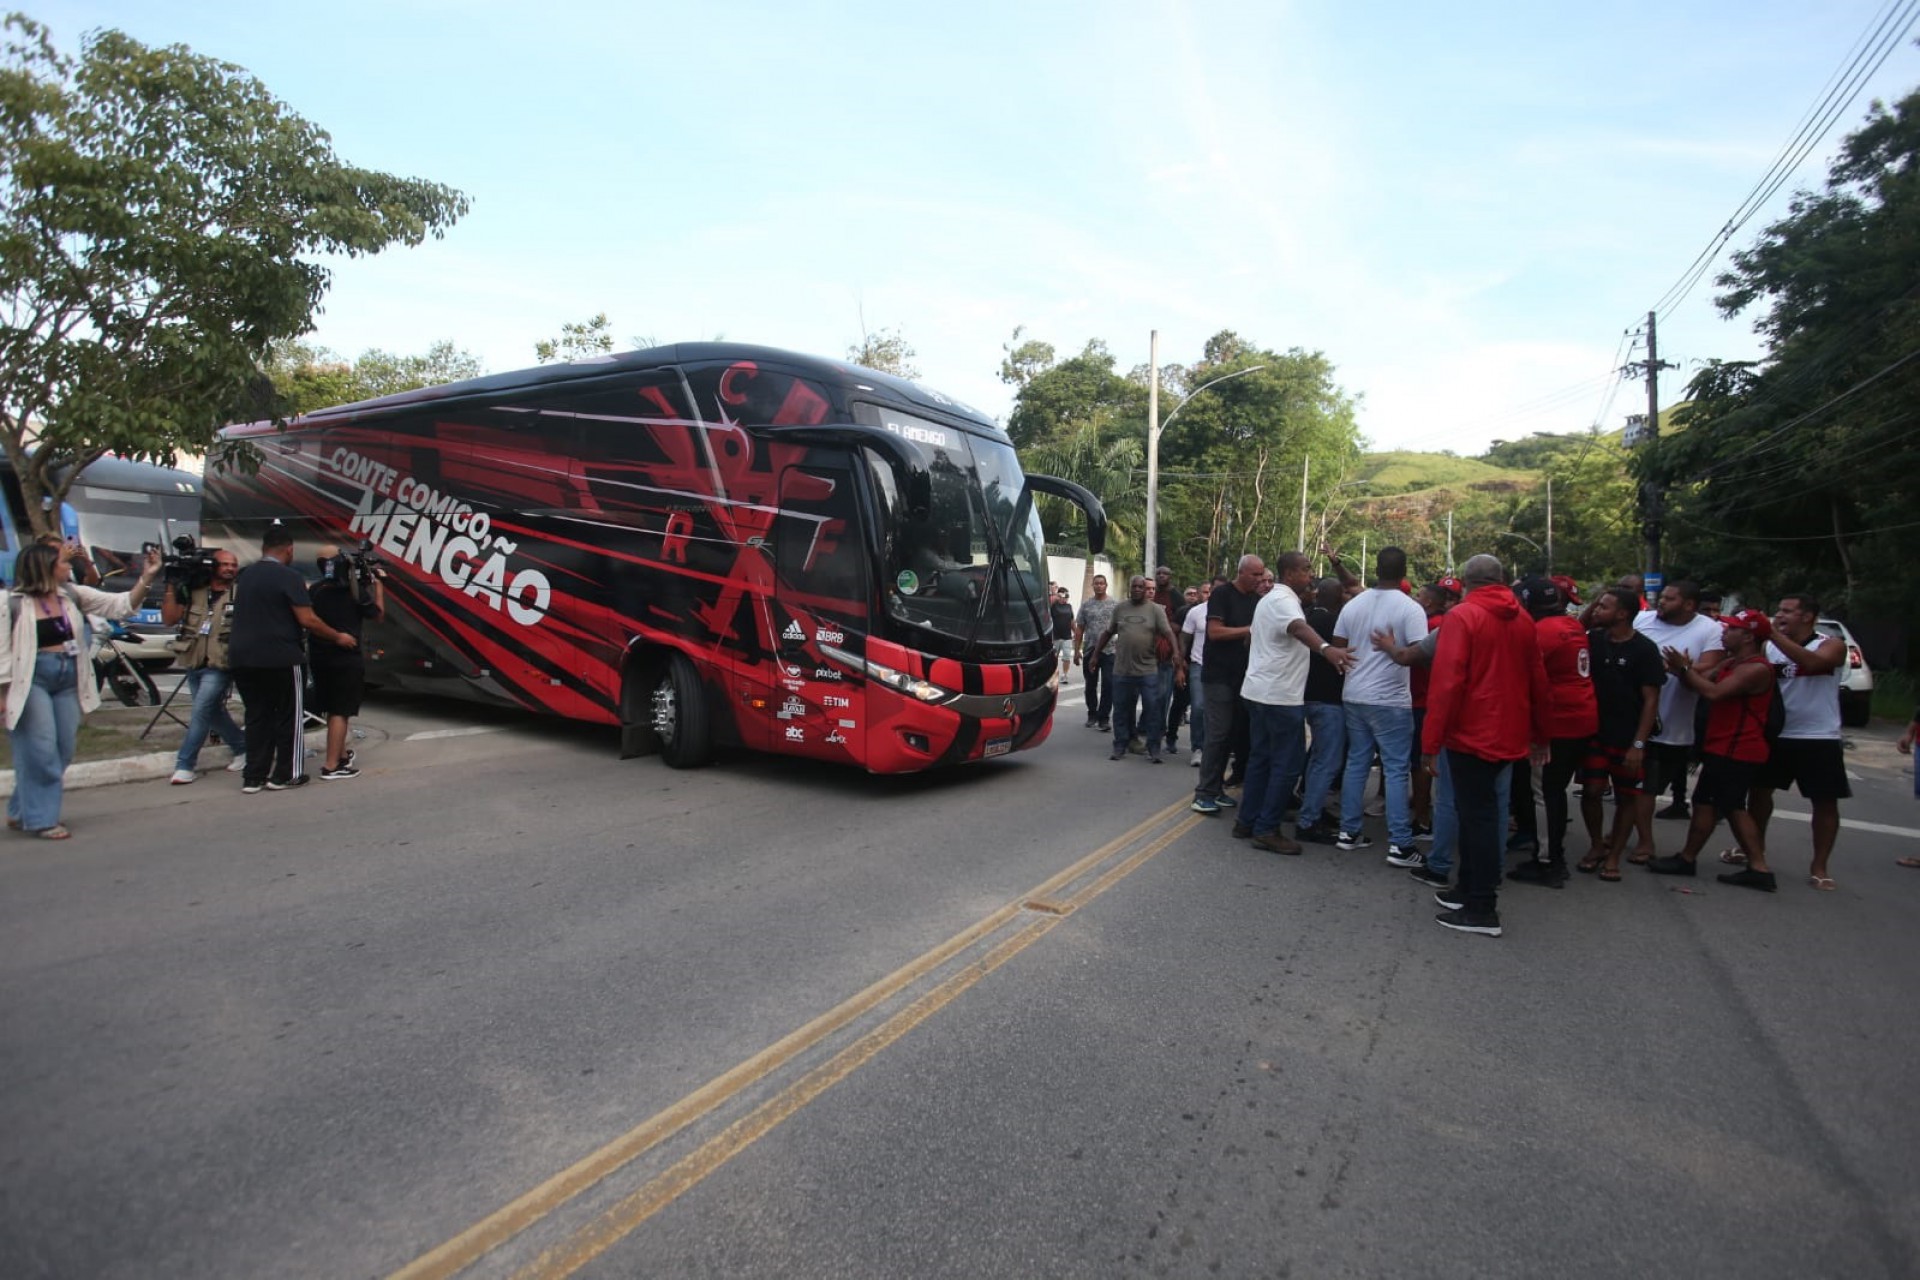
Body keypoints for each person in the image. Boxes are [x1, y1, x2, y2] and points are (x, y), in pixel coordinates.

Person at [1420, 554, 1550, 938]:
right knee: (1479, 813)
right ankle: (1468, 889)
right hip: (1507, 729)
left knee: (1477, 817)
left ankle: (1482, 906)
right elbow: (1538, 679)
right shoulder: (1522, 619)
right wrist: (1540, 733)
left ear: (1466, 581)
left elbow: (1447, 683)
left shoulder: (1462, 617)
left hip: (1472, 731)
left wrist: (1431, 742)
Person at [2, 541, 161, 838]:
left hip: (67, 678)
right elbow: (2, 654)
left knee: (63, 749)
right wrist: (2, 694)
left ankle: (21, 808)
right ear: (45, 568)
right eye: (63, 563)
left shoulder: (72, 594)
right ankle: (42, 820)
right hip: (32, 680)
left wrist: (148, 577)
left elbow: (121, 604)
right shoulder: (11, 603)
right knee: (41, 748)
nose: (69, 568)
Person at [1645, 609, 1780, 891]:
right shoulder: (1731, 663)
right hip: (1721, 746)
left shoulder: (1755, 668)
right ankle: (1687, 858)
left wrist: (1684, 670)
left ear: (1748, 637)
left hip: (1738, 748)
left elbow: (1713, 692)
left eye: (1732, 629)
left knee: (1733, 806)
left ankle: (1759, 867)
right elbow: (1699, 680)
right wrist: (1680, 669)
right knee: (1704, 802)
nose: (1724, 633)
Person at [228, 525, 359, 793]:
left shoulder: (246, 575)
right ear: (289, 550)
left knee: (257, 716)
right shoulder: (289, 576)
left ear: (263, 548)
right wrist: (338, 637)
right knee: (289, 717)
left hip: (242, 657)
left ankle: (253, 777)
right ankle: (287, 774)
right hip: (281, 657)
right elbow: (308, 619)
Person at [1238, 553, 1352, 854]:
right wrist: (1327, 649)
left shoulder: (1269, 599)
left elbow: (1252, 640)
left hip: (1260, 691)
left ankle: (1247, 821)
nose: (1311, 574)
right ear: (1289, 574)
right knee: (1288, 765)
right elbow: (1299, 629)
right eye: (1306, 569)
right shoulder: (1284, 601)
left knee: (1261, 759)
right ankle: (1266, 829)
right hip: (1279, 696)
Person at [1737, 594, 1849, 890]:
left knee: (1824, 801)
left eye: (1787, 611)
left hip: (1817, 735)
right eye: (1778, 611)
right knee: (1759, 793)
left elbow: (1813, 663)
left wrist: (1772, 634)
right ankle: (1754, 850)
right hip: (1775, 733)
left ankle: (1819, 865)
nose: (1780, 616)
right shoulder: (1768, 647)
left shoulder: (1830, 644)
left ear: (1807, 616)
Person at [1329, 548, 1428, 863]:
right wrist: (1391, 649)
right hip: (1390, 699)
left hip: (1354, 694)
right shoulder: (1410, 608)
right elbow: (1419, 653)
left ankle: (1349, 832)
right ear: (1404, 571)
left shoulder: (1354, 604)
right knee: (1396, 768)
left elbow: (1338, 646)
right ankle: (1400, 843)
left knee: (1357, 762)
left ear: (1376, 569)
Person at [1505, 576, 1597, 887]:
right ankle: (1549, 853)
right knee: (1552, 790)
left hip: (1559, 720)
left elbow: (1520, 675)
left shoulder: (1543, 631)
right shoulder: (1569, 624)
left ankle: (1549, 861)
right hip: (1579, 716)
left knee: (1544, 792)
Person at [1575, 587, 1664, 881]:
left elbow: (1651, 699)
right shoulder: (1594, 640)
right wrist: (1594, 605)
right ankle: (1596, 845)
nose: (1597, 610)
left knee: (1626, 798)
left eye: (1604, 606)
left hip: (1627, 737)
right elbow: (1577, 628)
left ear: (1623, 614)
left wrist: (1638, 743)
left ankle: (1613, 856)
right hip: (1595, 733)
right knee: (1591, 791)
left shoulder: (1644, 649)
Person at [1631, 581, 1725, 849]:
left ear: (1689, 605)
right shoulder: (1642, 619)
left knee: (1649, 788)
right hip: (1634, 720)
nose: (1661, 602)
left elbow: (1710, 668)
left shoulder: (1710, 629)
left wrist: (1679, 668)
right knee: (1638, 788)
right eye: (1662, 597)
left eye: (1670, 598)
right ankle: (1640, 841)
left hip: (1675, 726)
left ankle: (1632, 839)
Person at [161, 546, 247, 784]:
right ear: (212, 566)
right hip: (194, 658)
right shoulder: (194, 591)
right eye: (225, 564)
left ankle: (185, 765)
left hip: (221, 663)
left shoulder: (240, 593)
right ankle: (242, 747)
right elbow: (169, 619)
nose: (230, 568)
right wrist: (172, 586)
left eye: (233, 565)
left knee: (201, 711)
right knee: (213, 712)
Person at [307, 544, 385, 780]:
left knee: (333, 710)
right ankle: (332, 766)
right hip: (345, 658)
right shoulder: (353, 591)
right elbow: (378, 615)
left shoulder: (315, 590)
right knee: (341, 712)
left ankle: (340, 755)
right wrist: (378, 586)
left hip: (319, 657)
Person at [1192, 555, 1263, 815]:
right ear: (1241, 572)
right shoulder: (1222, 594)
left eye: (1261, 575)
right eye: (1255, 575)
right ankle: (1203, 793)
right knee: (1218, 734)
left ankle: (1216, 789)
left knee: (1232, 736)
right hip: (1218, 676)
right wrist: (1249, 630)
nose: (1259, 580)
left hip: (1242, 678)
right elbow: (1215, 632)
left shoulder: (1256, 600)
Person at [1092, 575, 1183, 764]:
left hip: (1147, 670)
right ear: (1130, 588)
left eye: (1141, 587)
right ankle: (1120, 745)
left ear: (1145, 589)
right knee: (1121, 710)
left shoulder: (1155, 610)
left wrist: (1176, 654)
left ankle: (1154, 748)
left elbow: (1168, 633)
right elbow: (1108, 632)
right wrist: (1095, 655)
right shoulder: (1120, 608)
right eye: (1134, 586)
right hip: (1122, 669)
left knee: (1152, 710)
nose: (1137, 590)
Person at [1293, 578, 1349, 844]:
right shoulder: (1336, 623)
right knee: (1327, 761)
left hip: (1303, 693)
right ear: (1338, 597)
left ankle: (1311, 806)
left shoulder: (1306, 617)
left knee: (1317, 756)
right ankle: (1309, 820)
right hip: (1328, 699)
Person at [1180, 577, 1223, 767]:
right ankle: (1197, 748)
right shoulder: (1196, 612)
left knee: (1218, 710)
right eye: (1210, 590)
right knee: (1198, 706)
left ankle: (1214, 748)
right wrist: (1180, 662)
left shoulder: (1230, 610)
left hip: (1222, 667)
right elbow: (1184, 638)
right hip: (1198, 664)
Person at [1074, 575, 1117, 732]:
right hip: (1090, 650)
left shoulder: (1114, 605)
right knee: (1090, 684)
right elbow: (1080, 628)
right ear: (1092, 586)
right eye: (1096, 583)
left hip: (1110, 650)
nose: (1099, 586)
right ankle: (1092, 713)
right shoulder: (1086, 605)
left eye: (1101, 583)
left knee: (1108, 684)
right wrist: (1077, 650)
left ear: (1106, 585)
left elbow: (1121, 627)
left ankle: (1104, 718)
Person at [1049, 588, 1075, 685]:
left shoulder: (1069, 606)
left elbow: (1072, 621)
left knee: (1067, 657)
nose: (1065, 598)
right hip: (1056, 636)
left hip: (1067, 636)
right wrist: (1056, 596)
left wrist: (1076, 632)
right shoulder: (1053, 606)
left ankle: (1065, 675)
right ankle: (1053, 675)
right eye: (1064, 596)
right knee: (1054, 658)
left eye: (1067, 596)